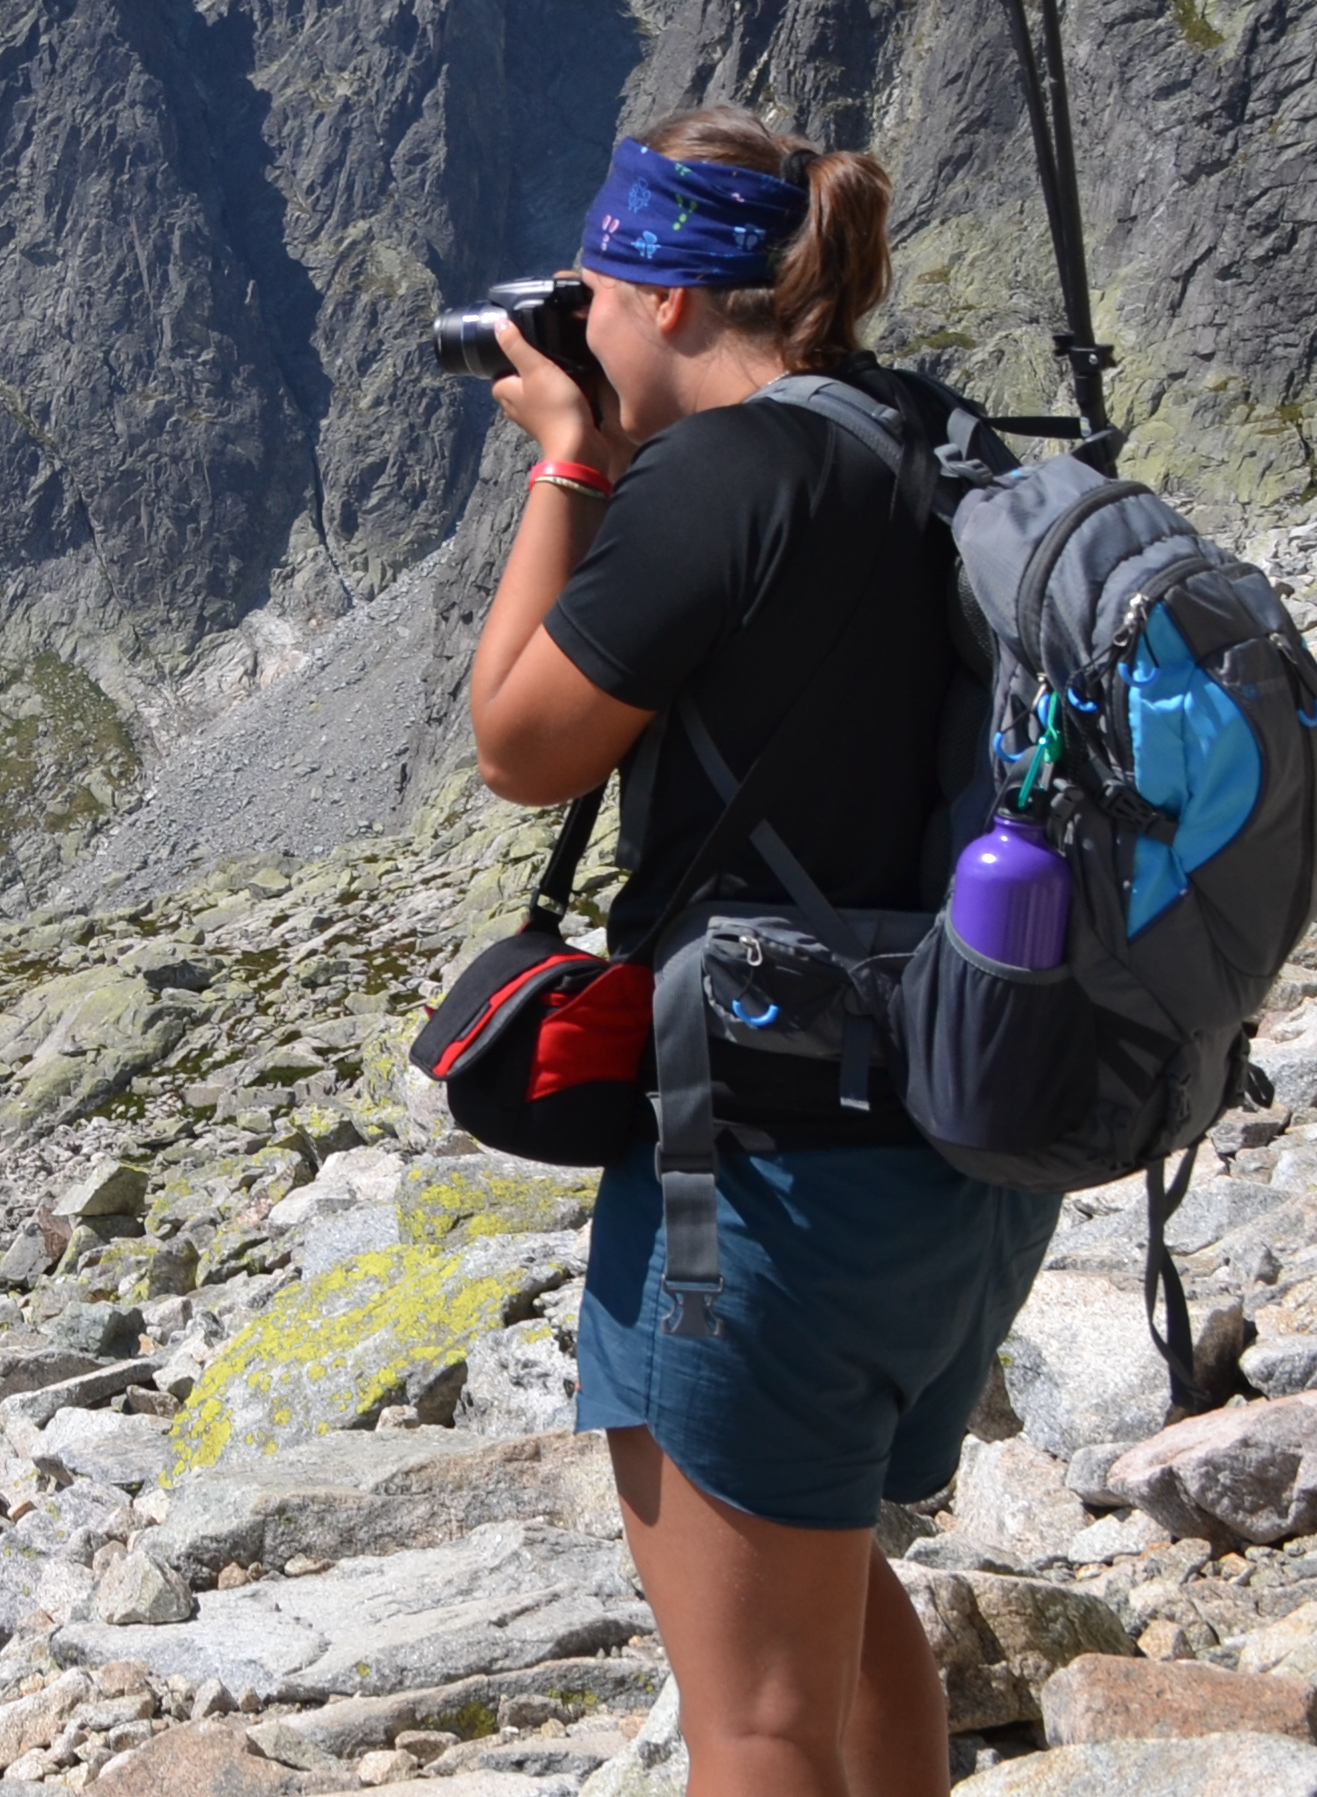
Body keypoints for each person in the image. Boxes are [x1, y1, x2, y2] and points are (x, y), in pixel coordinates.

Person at [465, 108, 1055, 1797]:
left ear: (663, 299)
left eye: (591, 287)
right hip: (958, 1135)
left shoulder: (727, 477)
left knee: (755, 1722)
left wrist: (571, 463)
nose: (571, 320)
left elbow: (519, 743)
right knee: (838, 1600)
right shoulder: (929, 436)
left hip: (760, 1172)